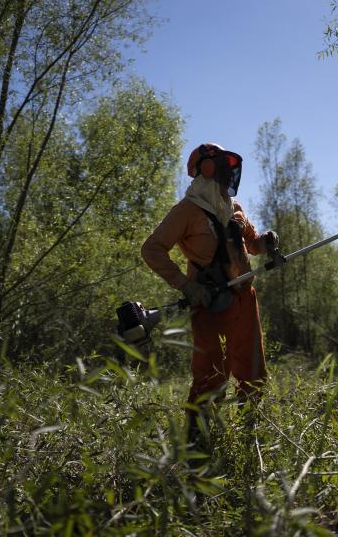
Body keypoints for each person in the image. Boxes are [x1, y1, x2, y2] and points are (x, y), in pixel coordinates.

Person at [141, 143, 279, 449]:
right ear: (207, 169)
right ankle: (197, 445)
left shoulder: (235, 208)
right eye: (225, 169)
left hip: (244, 298)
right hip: (208, 303)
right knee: (211, 375)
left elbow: (252, 245)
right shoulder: (186, 211)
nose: (230, 176)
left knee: (252, 369)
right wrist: (186, 286)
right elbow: (151, 249)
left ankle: (250, 437)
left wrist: (266, 241)